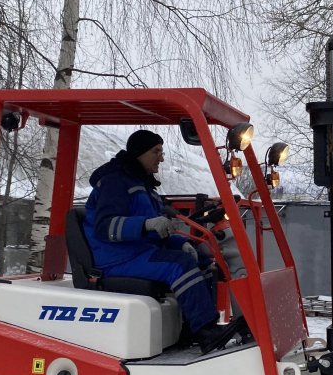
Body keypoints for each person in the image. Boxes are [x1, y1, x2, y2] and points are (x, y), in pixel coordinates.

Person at [85, 129, 231, 353]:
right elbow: (105, 228)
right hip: (116, 258)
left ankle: (192, 329)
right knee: (179, 266)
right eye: (156, 152)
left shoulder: (143, 185)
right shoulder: (115, 182)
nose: (161, 158)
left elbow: (155, 232)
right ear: (139, 153)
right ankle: (206, 331)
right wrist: (145, 224)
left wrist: (179, 243)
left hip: (138, 252)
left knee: (203, 260)